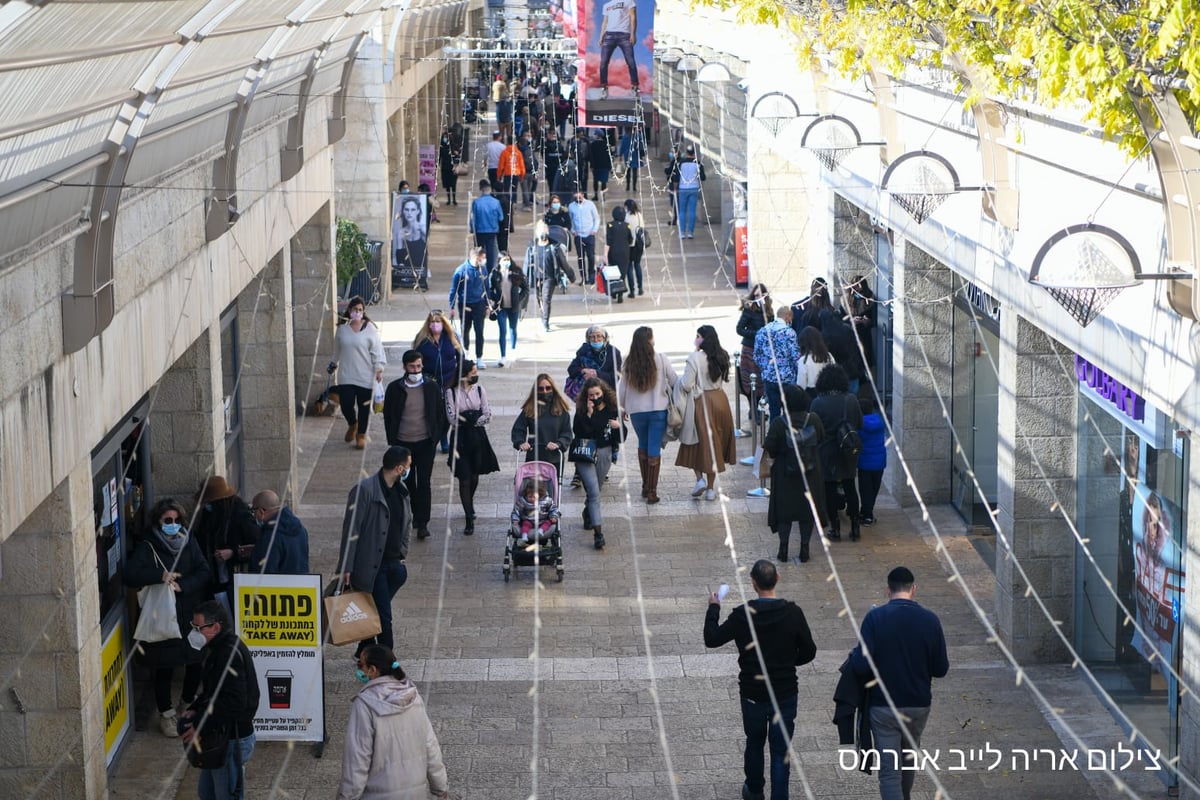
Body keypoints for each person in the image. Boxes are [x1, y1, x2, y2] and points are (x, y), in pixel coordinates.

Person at [704, 559, 817, 800]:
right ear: (777, 579)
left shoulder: (742, 615)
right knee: (780, 751)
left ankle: (754, 790)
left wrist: (714, 606)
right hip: (785, 692)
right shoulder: (793, 613)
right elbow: (809, 651)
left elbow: (712, 638)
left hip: (752, 692)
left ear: (753, 584)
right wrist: (788, 662)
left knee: (754, 742)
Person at [848, 567, 948, 800]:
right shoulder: (931, 620)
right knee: (908, 759)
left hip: (883, 707)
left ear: (888, 590)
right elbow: (941, 669)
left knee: (889, 772)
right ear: (914, 590)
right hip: (917, 705)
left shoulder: (874, 618)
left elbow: (861, 666)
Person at [124, 498, 210, 737]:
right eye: (167, 521)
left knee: (196, 661)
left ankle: (187, 701)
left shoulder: (188, 540)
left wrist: (185, 585)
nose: (173, 524)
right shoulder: (148, 546)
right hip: (163, 616)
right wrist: (159, 575)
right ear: (158, 522)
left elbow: (204, 571)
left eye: (176, 520)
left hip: (190, 613)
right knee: (164, 667)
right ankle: (166, 714)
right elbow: (130, 575)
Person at [337, 645, 450, 800]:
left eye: (360, 665)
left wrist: (348, 796)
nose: (359, 670)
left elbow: (357, 759)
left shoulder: (364, 705)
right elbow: (430, 746)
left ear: (372, 670)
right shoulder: (414, 697)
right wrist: (440, 787)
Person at [180, 599, 259, 800]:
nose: (195, 632)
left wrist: (200, 726)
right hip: (220, 737)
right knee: (207, 793)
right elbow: (214, 691)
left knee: (225, 795)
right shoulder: (218, 649)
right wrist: (195, 708)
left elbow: (233, 702)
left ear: (216, 627)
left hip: (230, 740)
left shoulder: (227, 654)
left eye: (199, 627)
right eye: (193, 627)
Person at [337, 446, 413, 654]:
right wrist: (346, 566)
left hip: (394, 564)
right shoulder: (364, 491)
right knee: (384, 617)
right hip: (372, 566)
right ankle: (388, 662)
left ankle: (364, 647)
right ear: (399, 468)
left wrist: (402, 553)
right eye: (408, 465)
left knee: (375, 611)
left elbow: (406, 522)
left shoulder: (401, 490)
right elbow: (351, 530)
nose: (409, 469)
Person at [383, 352, 449, 542]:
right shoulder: (395, 388)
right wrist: (393, 441)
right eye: (412, 367)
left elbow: (440, 414)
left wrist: (435, 437)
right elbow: (389, 415)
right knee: (408, 482)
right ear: (405, 367)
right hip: (404, 444)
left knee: (425, 482)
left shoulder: (431, 387)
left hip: (425, 442)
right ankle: (412, 515)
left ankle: (424, 523)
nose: (416, 370)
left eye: (419, 366)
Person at [764, 385, 826, 563]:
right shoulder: (813, 419)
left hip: (785, 474)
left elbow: (770, 446)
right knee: (806, 512)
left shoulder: (779, 423)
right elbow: (821, 437)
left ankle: (783, 547)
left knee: (785, 512)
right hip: (810, 473)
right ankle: (804, 548)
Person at [675, 325, 737, 501]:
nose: (696, 338)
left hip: (702, 402)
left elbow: (686, 384)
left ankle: (699, 479)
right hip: (720, 401)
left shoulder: (695, 358)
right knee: (715, 444)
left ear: (703, 338)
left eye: (698, 336)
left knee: (697, 442)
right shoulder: (722, 355)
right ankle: (710, 489)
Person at [618, 326, 678, 504]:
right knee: (654, 448)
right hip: (658, 409)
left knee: (642, 445)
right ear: (651, 340)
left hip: (637, 411)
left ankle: (645, 485)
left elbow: (622, 387)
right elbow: (675, 381)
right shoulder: (660, 358)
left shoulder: (628, 362)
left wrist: (622, 407)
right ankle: (652, 491)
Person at [810, 364, 864, 542]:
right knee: (850, 486)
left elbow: (814, 428)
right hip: (849, 450)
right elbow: (859, 423)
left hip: (827, 452)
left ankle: (835, 527)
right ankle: (855, 527)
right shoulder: (852, 400)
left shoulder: (818, 402)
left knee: (830, 489)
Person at [446, 361, 499, 535]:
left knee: (475, 476)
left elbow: (487, 414)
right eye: (472, 372)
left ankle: (469, 502)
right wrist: (471, 419)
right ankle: (469, 516)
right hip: (460, 439)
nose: (474, 375)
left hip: (477, 438)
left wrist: (471, 420)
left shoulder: (479, 390)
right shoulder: (451, 393)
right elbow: (452, 418)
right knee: (464, 479)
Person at [191, 476, 259, 603]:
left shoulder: (239, 514)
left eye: (209, 502)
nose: (207, 505)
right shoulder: (208, 515)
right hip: (213, 578)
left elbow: (257, 545)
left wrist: (233, 552)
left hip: (234, 578)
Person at [573, 377, 623, 549]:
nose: (594, 397)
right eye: (591, 395)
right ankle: (598, 534)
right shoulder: (581, 410)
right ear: (586, 396)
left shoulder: (611, 410)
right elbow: (579, 432)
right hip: (585, 454)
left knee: (596, 490)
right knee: (594, 492)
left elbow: (620, 438)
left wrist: (618, 427)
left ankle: (588, 512)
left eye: (597, 394)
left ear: (603, 393)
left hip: (604, 452)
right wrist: (588, 413)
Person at [331, 296, 386, 449]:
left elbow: (377, 351)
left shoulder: (370, 329)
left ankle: (361, 435)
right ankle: (352, 424)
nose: (357, 312)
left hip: (366, 375)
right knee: (346, 404)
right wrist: (333, 363)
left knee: (363, 407)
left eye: (360, 310)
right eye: (355, 309)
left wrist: (379, 368)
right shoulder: (342, 330)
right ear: (349, 311)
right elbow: (337, 350)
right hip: (347, 375)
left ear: (363, 312)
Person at [413, 309, 463, 454]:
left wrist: (461, 377)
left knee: (447, 411)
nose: (435, 324)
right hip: (429, 381)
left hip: (449, 380)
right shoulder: (422, 340)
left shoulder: (452, 337)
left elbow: (460, 357)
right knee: (432, 411)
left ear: (443, 323)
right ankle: (432, 435)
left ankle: (443, 436)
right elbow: (415, 359)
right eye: (432, 321)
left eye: (438, 321)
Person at [511, 373, 573, 467]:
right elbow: (518, 429)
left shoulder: (561, 411)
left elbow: (567, 433)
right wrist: (520, 442)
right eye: (540, 389)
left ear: (553, 389)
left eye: (548, 388)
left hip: (554, 458)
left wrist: (559, 443)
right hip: (533, 457)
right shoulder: (530, 409)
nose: (544, 391)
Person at [753, 305, 799, 424]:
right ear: (787, 316)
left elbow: (757, 355)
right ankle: (788, 438)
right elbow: (795, 357)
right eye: (790, 318)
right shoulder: (789, 332)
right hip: (787, 378)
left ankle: (775, 436)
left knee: (774, 412)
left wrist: (767, 367)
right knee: (788, 413)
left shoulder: (763, 331)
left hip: (769, 377)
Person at [248, 490, 310, 574]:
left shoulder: (269, 537)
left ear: (261, 511)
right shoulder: (300, 529)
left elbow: (264, 573)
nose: (254, 516)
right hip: (300, 585)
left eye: (254, 512)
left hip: (279, 586)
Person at [448, 246, 491, 364]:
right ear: (475, 258)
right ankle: (465, 353)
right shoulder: (461, 271)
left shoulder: (483, 269)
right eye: (482, 258)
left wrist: (488, 305)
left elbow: (487, 287)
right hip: (465, 304)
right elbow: (453, 290)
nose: (483, 261)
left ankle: (479, 357)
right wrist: (451, 307)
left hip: (479, 304)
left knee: (479, 331)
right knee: (465, 330)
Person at [526, 221, 571, 332]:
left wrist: (571, 275)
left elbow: (563, 262)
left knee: (546, 299)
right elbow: (527, 264)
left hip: (549, 277)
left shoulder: (553, 247)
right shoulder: (532, 247)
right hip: (537, 277)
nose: (544, 232)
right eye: (541, 230)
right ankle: (543, 313)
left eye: (545, 230)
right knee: (539, 297)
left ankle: (546, 320)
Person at [487, 251, 529, 367]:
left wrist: (519, 300)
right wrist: (493, 300)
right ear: (499, 261)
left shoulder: (516, 272)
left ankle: (513, 349)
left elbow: (525, 288)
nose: (506, 262)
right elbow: (489, 289)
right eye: (504, 260)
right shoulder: (495, 274)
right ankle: (503, 356)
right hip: (501, 307)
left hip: (513, 307)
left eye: (508, 260)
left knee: (512, 329)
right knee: (502, 331)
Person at [736, 284, 772, 410]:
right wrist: (757, 334)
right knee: (751, 382)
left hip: (763, 351)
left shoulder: (769, 310)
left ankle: (759, 408)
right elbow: (739, 329)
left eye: (761, 295)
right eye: (756, 295)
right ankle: (753, 409)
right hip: (750, 349)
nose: (759, 297)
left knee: (762, 381)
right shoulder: (749, 309)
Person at [596, 0, 639, 99]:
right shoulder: (607, 5)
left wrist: (633, 34)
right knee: (603, 63)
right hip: (609, 35)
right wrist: (601, 36)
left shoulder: (629, 2)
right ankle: (604, 88)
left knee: (631, 62)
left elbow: (633, 17)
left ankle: (635, 87)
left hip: (624, 35)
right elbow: (605, 21)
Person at [857, 396, 886, 526]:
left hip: (865, 461)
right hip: (879, 461)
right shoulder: (880, 421)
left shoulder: (859, 424)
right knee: (874, 487)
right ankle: (867, 511)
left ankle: (867, 515)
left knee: (865, 489)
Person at [393, 196, 429, 293]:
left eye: (413, 210)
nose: (409, 213)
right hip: (408, 270)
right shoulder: (400, 232)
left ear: (417, 211)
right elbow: (400, 256)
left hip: (421, 269)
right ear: (403, 212)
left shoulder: (422, 229)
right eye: (407, 209)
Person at [511, 477, 560, 544]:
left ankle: (541, 530)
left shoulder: (547, 500)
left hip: (542, 520)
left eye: (534, 497)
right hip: (529, 519)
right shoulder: (523, 501)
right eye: (530, 497)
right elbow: (516, 510)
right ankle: (524, 534)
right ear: (526, 494)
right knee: (525, 524)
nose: (532, 499)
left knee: (549, 522)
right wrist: (515, 520)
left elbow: (553, 509)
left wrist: (553, 516)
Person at [845, 275, 878, 374]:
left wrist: (867, 322)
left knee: (865, 362)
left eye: (859, 287)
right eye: (854, 287)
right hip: (850, 335)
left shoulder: (870, 299)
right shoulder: (846, 299)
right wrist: (851, 321)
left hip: (864, 335)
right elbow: (841, 320)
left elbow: (875, 320)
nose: (857, 290)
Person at [469, 181, 504, 272]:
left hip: (479, 230)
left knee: (478, 250)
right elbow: (501, 217)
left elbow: (473, 218)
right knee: (490, 251)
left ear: (481, 190)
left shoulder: (476, 202)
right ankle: (489, 270)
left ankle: (478, 268)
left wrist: (472, 229)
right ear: (490, 190)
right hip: (492, 230)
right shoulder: (496, 202)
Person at [672, 145, 706, 239]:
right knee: (692, 211)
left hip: (682, 189)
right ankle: (690, 232)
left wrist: (675, 188)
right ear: (694, 153)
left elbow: (676, 177)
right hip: (694, 188)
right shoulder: (698, 163)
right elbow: (703, 177)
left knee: (682, 211)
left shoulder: (680, 163)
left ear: (686, 152)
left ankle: (682, 233)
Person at [569, 189, 601, 285]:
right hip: (578, 236)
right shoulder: (571, 206)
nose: (578, 199)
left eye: (579, 197)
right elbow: (570, 220)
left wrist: (594, 230)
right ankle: (583, 278)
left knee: (591, 257)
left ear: (583, 194)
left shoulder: (590, 204)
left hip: (589, 234)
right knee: (580, 257)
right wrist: (573, 231)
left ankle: (592, 276)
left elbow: (596, 218)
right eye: (576, 197)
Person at [601, 205, 632, 302]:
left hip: (613, 252)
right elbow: (630, 239)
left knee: (614, 272)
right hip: (625, 252)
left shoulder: (610, 225)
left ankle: (614, 291)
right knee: (623, 273)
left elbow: (608, 241)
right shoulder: (627, 225)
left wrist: (605, 254)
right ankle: (620, 295)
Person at [796, 326, 835, 397]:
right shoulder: (828, 356)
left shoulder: (804, 360)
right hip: (828, 391)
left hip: (811, 394)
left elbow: (801, 385)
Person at [497, 136, 525, 221]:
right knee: (514, 190)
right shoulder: (518, 153)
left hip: (508, 173)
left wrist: (499, 176)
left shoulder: (504, 152)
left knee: (506, 190)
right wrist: (522, 175)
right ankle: (514, 204)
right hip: (516, 173)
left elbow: (501, 165)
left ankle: (507, 205)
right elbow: (521, 165)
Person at [623, 198, 645, 297]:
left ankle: (632, 291)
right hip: (639, 244)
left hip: (630, 245)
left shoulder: (627, 216)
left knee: (629, 268)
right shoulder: (639, 215)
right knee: (637, 265)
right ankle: (640, 287)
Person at [438, 128, 461, 206]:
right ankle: (449, 199)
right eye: (444, 137)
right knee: (447, 184)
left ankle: (454, 199)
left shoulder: (453, 147)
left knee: (453, 184)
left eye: (446, 137)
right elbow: (439, 157)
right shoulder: (441, 147)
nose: (445, 139)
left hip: (452, 168)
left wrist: (456, 155)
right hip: (445, 168)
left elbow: (458, 157)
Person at [589, 130, 613, 199]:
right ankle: (603, 196)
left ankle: (596, 195)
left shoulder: (593, 144)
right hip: (605, 166)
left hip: (596, 166)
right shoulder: (607, 144)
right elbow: (610, 156)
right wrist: (610, 166)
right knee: (604, 182)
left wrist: (591, 165)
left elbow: (591, 156)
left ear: (597, 135)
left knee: (595, 180)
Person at [543, 132, 566, 199]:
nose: (552, 136)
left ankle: (556, 199)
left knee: (557, 186)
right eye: (551, 134)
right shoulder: (546, 145)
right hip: (551, 170)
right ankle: (553, 199)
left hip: (556, 169)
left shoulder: (559, 146)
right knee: (552, 186)